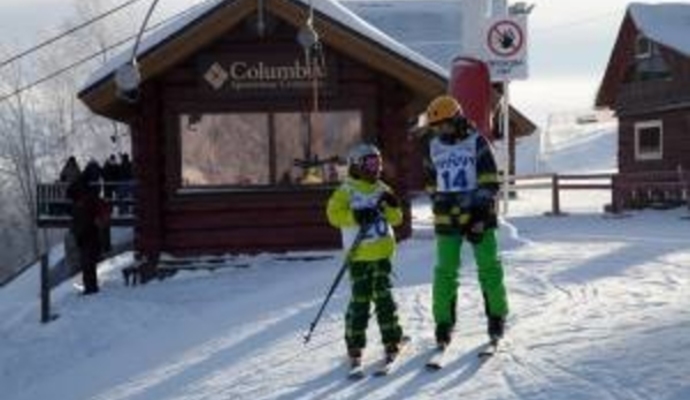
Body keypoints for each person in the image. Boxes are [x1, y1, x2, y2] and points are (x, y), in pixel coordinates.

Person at [422, 95, 509, 349]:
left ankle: (496, 317)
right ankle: (443, 323)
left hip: (477, 216)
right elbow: (430, 183)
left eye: (445, 125)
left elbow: (490, 180)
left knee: (489, 267)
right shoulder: (433, 147)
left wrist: (479, 213)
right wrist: (439, 202)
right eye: (436, 127)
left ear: (458, 119)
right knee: (444, 272)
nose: (441, 131)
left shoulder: (477, 142)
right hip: (447, 219)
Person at [326, 142, 407, 369]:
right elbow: (333, 215)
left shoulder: (382, 188)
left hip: (382, 254)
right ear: (356, 165)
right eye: (370, 164)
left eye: (378, 163)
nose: (376, 168)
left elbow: (397, 219)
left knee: (384, 299)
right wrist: (355, 216)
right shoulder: (347, 190)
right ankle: (355, 345)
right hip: (359, 256)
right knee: (360, 300)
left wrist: (392, 205)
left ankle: (392, 341)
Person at [67, 175, 109, 295]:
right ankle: (91, 286)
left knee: (87, 262)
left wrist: (76, 231)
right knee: (89, 263)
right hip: (89, 234)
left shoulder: (83, 202)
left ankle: (90, 288)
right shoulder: (89, 199)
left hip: (87, 234)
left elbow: (79, 220)